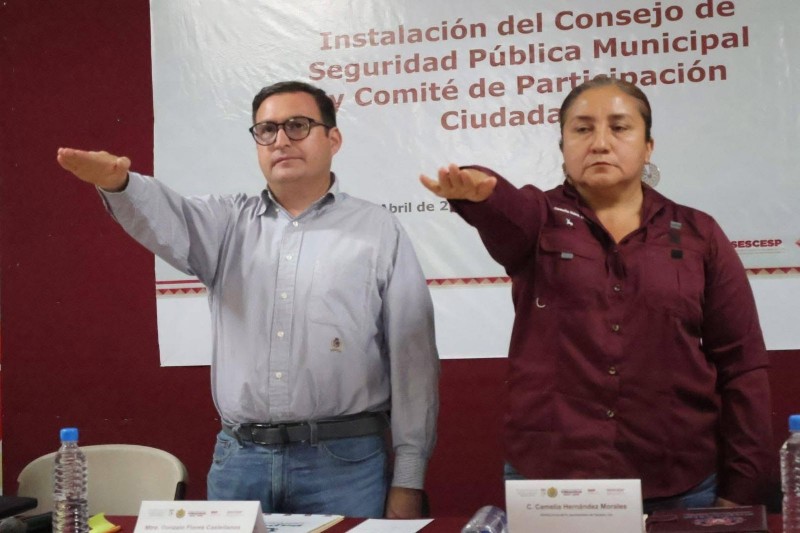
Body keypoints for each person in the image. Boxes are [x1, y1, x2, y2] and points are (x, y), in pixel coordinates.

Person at [57, 80, 439, 519]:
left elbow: (414, 360)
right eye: (267, 130)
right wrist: (120, 184)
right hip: (240, 462)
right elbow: (166, 215)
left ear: (333, 139)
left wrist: (409, 478)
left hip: (344, 463)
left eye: (298, 126)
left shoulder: (378, 230)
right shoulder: (226, 223)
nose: (281, 140)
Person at [420, 75, 772, 513]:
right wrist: (481, 193)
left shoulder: (699, 234)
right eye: (582, 129)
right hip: (556, 484)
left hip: (680, 481)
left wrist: (741, 488)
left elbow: (742, 364)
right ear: (563, 145)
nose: (600, 143)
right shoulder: (538, 218)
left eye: (619, 127)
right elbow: (504, 208)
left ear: (648, 147)